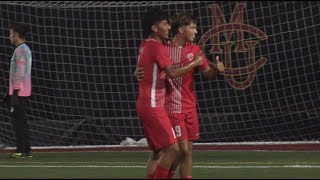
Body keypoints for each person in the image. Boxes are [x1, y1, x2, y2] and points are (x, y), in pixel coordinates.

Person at [135, 12, 225, 178]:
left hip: (189, 106)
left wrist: (217, 71)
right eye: (193, 28)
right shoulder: (163, 47)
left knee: (186, 152)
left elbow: (207, 73)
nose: (196, 31)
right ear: (181, 29)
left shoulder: (195, 49)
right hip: (169, 106)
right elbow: (163, 69)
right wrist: (137, 72)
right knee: (174, 150)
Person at [2, 23, 33, 158]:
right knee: (22, 121)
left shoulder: (20, 50)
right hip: (23, 90)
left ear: (15, 35)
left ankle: (21, 150)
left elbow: (19, 72)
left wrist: (14, 92)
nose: (9, 37)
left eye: (11, 34)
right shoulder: (25, 49)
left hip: (19, 92)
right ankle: (26, 149)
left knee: (19, 122)